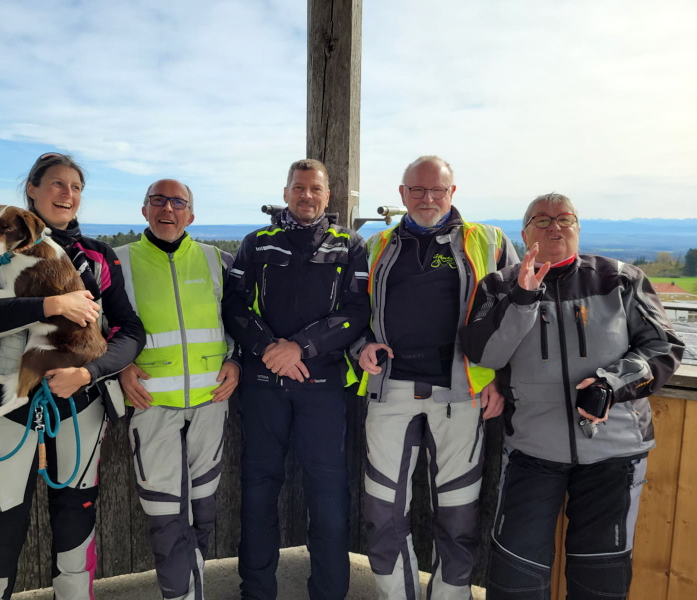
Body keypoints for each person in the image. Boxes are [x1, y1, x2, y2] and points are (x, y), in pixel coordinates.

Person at [459, 193, 684, 599]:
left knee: (601, 578)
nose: (555, 227)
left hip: (614, 452)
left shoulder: (621, 278)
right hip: (531, 451)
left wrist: (611, 385)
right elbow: (483, 352)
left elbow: (663, 346)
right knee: (515, 575)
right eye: (542, 220)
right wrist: (523, 299)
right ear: (525, 233)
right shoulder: (499, 285)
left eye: (565, 219)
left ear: (578, 228)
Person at [0, 153, 145, 600]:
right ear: (32, 190)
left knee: (76, 515)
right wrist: (51, 305)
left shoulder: (97, 255)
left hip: (79, 400)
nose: (67, 194)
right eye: (57, 183)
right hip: (3, 403)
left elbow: (130, 330)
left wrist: (88, 372)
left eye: (76, 187)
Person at [355, 155, 518, 600]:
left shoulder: (489, 240)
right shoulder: (376, 245)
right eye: (417, 190)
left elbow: (517, 314)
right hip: (391, 390)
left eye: (437, 190)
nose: (428, 198)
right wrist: (360, 345)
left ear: (452, 192)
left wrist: (500, 379)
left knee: (458, 515)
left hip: (461, 392)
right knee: (382, 512)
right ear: (402, 193)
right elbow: (353, 312)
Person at [223, 159, 371, 599]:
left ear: (328, 195)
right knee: (258, 493)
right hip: (263, 385)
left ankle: (329, 592)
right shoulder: (257, 243)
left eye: (315, 189)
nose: (307, 196)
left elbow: (358, 311)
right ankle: (256, 593)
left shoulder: (350, 245)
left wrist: (301, 347)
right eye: (299, 188)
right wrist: (271, 349)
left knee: (328, 496)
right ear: (286, 192)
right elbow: (233, 305)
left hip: (322, 389)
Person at [116, 179, 240, 599]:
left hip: (210, 405)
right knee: (166, 518)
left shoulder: (216, 260)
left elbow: (240, 320)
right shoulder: (118, 263)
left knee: (203, 512)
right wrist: (120, 368)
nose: (167, 208)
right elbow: (96, 328)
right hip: (151, 407)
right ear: (144, 209)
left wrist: (237, 361)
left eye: (177, 202)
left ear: (191, 214)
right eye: (158, 200)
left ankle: (192, 591)